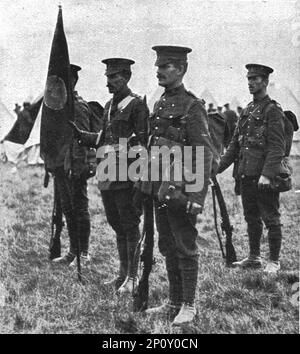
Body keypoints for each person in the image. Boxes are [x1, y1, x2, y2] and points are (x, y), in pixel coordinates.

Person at [138, 46, 213, 325]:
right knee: (167, 244)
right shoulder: (159, 103)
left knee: (184, 244)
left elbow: (204, 153)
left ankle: (189, 305)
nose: (158, 70)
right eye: (158, 66)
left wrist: (196, 195)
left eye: (165, 66)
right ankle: (173, 301)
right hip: (160, 185)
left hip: (180, 187)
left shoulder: (193, 106)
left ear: (181, 69)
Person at [70, 58, 149, 293]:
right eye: (107, 77)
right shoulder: (108, 106)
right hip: (108, 175)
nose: (107, 82)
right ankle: (123, 274)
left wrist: (139, 178)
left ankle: (133, 277)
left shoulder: (137, 106)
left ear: (124, 78)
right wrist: (80, 135)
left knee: (129, 224)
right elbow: (102, 138)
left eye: (112, 77)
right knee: (117, 224)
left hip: (126, 175)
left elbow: (143, 144)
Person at [217, 64, 286, 274]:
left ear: (265, 82)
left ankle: (274, 261)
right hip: (246, 174)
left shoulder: (272, 110)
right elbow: (234, 146)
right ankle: (254, 257)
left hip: (263, 176)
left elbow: (277, 146)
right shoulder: (247, 110)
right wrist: (217, 168)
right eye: (249, 79)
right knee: (251, 217)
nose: (251, 82)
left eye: (255, 79)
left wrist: (267, 174)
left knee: (271, 218)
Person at [52, 64, 102, 266]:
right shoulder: (59, 106)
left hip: (75, 166)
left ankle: (83, 253)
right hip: (61, 166)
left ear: (71, 82)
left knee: (79, 209)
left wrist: (78, 167)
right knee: (67, 208)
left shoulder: (78, 105)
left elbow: (81, 139)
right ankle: (73, 250)